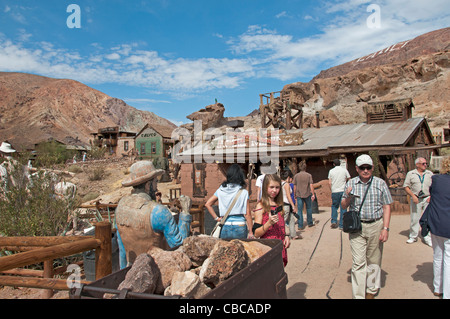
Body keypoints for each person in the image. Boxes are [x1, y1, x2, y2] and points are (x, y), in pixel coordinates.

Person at [116, 161, 192, 268]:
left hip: (130, 270)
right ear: (148, 185)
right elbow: (179, 245)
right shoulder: (158, 211)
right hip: (154, 271)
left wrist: (123, 271)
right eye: (155, 182)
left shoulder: (121, 206)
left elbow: (122, 247)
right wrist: (185, 213)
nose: (157, 186)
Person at [341, 154, 393, 299]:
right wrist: (348, 196)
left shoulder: (380, 183)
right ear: (356, 169)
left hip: (376, 225)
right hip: (357, 227)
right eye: (362, 168)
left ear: (372, 168)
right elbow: (343, 205)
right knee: (358, 262)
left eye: (368, 167)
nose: (365, 171)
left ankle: (371, 289)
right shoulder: (351, 183)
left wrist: (386, 228)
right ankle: (358, 295)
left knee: (374, 259)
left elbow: (386, 206)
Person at [420, 157, 450, 299]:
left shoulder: (437, 179)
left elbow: (434, 195)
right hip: (448, 225)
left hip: (436, 222)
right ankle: (447, 293)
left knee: (438, 256)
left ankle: (438, 287)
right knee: (448, 259)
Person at [205, 164, 254, 239]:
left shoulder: (220, 190)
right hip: (240, 225)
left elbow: (208, 204)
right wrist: (250, 232)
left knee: (225, 249)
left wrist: (216, 218)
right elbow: (248, 214)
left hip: (225, 224)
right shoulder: (243, 192)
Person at [253, 174, 290, 266]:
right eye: (271, 187)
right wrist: (269, 223)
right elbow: (256, 233)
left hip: (280, 246)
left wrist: (286, 236)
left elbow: (282, 224)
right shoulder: (261, 206)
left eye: (277, 187)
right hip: (268, 247)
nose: (274, 190)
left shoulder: (278, 204)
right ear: (265, 188)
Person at [403, 157, 433, 246]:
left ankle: (427, 237)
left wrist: (431, 196)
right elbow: (406, 187)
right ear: (417, 165)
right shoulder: (411, 174)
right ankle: (413, 236)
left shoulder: (429, 173)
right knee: (415, 218)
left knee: (427, 218)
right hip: (416, 198)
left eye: (426, 163)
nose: (425, 165)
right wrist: (413, 196)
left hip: (427, 198)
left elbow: (434, 186)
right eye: (423, 163)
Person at [328, 158, 351, 229]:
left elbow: (329, 182)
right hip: (343, 190)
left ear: (334, 164)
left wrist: (331, 190)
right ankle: (341, 224)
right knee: (343, 207)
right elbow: (349, 178)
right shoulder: (344, 170)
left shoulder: (331, 171)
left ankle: (334, 221)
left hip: (335, 191)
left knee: (334, 206)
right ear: (340, 164)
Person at [293, 161, 315, 229]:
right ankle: (310, 222)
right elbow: (311, 185)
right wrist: (313, 194)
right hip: (307, 194)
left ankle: (300, 225)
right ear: (305, 167)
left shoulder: (296, 176)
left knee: (299, 210)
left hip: (299, 194)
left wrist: (294, 194)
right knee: (309, 208)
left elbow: (295, 186)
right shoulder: (309, 175)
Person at [281, 170, 300, 240]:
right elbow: (288, 196)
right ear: (288, 177)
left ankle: (293, 234)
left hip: (283, 204)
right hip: (286, 205)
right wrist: (293, 205)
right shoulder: (286, 185)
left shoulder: (280, 184)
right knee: (283, 220)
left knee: (291, 219)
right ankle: (279, 234)